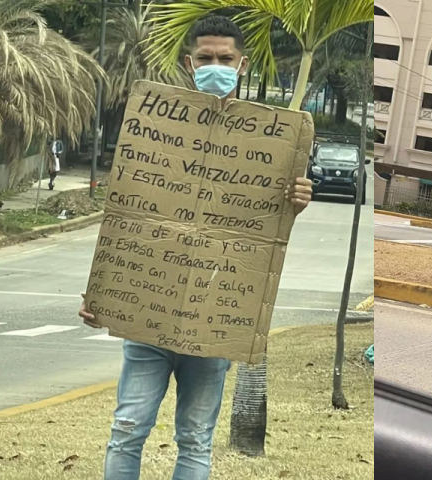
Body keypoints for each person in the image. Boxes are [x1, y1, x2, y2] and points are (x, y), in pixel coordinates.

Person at [78, 16, 314, 480]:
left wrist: (296, 201)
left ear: (242, 65)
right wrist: (101, 295)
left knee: (195, 439)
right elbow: (128, 222)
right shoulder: (154, 122)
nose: (215, 66)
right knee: (127, 428)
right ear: (190, 63)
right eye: (206, 58)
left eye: (225, 59)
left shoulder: (272, 139)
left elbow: (262, 233)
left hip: (215, 322)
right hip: (147, 315)